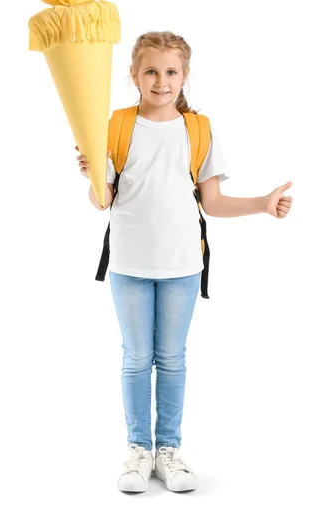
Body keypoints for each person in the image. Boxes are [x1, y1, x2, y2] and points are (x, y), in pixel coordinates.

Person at [75, 31, 293, 493]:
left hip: (182, 266)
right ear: (133, 75)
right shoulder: (115, 124)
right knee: (137, 358)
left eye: (170, 71)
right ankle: (139, 451)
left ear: (184, 76)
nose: (160, 80)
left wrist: (262, 204)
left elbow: (211, 202)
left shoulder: (199, 129)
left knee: (171, 359)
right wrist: (93, 173)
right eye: (150, 71)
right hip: (129, 264)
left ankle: (168, 451)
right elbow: (103, 201)